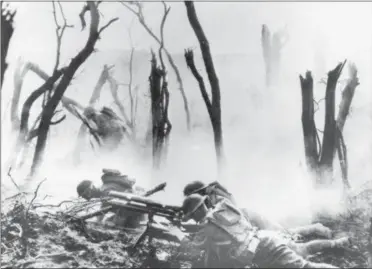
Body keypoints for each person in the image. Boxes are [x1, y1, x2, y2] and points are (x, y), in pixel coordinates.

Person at [181, 193, 351, 268]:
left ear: (197, 211)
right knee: (303, 249)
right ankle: (337, 243)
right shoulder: (222, 207)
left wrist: (177, 230)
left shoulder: (206, 228)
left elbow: (191, 248)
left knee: (306, 267)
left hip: (261, 250)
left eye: (191, 215)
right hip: (263, 237)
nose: (193, 219)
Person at [183, 181, 333, 239]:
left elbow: (233, 205)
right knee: (282, 234)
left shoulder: (215, 196)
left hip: (249, 218)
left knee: (284, 234)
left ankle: (316, 228)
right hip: (245, 223)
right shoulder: (209, 201)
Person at [76, 169, 147, 228]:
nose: (88, 198)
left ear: (89, 191)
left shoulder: (106, 192)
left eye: (85, 196)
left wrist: (116, 224)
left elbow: (122, 208)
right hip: (134, 211)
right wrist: (97, 222)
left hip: (136, 213)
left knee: (114, 228)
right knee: (108, 222)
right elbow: (102, 211)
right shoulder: (104, 190)